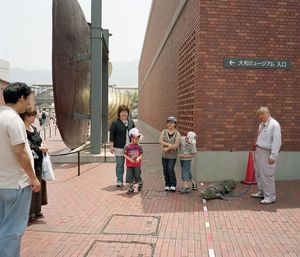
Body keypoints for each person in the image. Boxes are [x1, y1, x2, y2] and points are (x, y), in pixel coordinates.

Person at [0, 82, 41, 257]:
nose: (28, 103)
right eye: (28, 99)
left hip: (3, 183)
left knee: (3, 226)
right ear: (21, 98)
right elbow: (20, 151)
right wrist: (33, 177)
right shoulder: (14, 120)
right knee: (13, 230)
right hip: (17, 184)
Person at [20, 110, 48, 222]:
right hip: (30, 161)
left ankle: (37, 209)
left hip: (39, 160)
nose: (34, 117)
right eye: (32, 115)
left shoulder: (34, 129)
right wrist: (39, 148)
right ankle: (29, 211)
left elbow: (38, 141)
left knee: (39, 183)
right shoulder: (22, 130)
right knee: (31, 185)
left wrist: (42, 146)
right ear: (26, 117)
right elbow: (26, 145)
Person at [251, 106, 281, 204]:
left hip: (267, 153)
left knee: (267, 175)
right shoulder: (262, 124)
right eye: (259, 115)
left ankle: (270, 196)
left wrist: (273, 155)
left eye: (262, 114)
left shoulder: (274, 125)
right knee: (259, 174)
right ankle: (262, 192)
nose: (260, 117)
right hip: (259, 151)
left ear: (268, 113)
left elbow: (277, 141)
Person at [109, 105, 135, 187]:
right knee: (120, 164)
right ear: (119, 113)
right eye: (122, 112)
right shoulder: (115, 123)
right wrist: (111, 146)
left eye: (126, 112)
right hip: (119, 148)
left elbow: (135, 133)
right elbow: (112, 135)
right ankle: (119, 180)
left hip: (130, 148)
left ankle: (131, 179)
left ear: (128, 113)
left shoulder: (131, 122)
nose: (124, 113)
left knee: (131, 164)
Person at [159, 116, 181, 192]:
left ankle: (173, 184)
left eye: (171, 122)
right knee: (165, 169)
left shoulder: (177, 133)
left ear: (175, 124)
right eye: (168, 122)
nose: (169, 124)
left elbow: (176, 144)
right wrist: (169, 145)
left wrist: (168, 148)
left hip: (172, 155)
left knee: (170, 168)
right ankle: (167, 184)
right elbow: (160, 140)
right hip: (164, 155)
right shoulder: (164, 131)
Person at [124, 128, 144, 194]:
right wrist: (129, 159)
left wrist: (138, 158)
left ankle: (140, 182)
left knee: (137, 175)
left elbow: (141, 153)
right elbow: (124, 154)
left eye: (138, 138)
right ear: (131, 138)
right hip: (129, 165)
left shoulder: (139, 146)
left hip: (137, 165)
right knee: (130, 176)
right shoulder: (127, 146)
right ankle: (131, 188)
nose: (137, 140)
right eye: (136, 138)